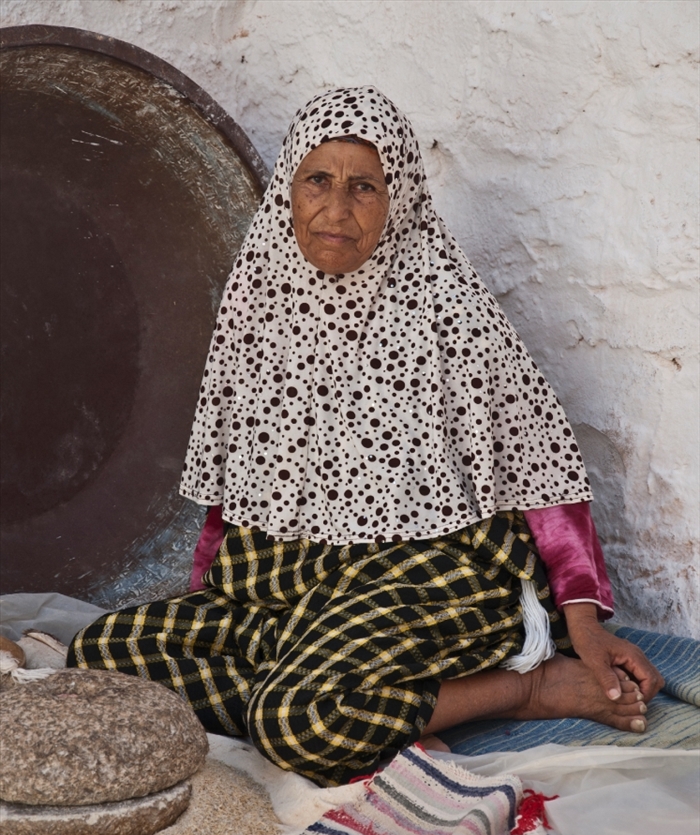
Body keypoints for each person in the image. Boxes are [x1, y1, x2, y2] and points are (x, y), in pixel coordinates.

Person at [69, 87, 663, 786]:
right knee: (103, 653)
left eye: (365, 187)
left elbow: (544, 474)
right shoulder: (260, 297)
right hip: (286, 580)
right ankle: (333, 682)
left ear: (399, 199)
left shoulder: (446, 308)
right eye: (317, 180)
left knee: (297, 722)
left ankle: (523, 687)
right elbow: (233, 474)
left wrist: (584, 622)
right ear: (291, 186)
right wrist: (206, 595)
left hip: (430, 572)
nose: (336, 209)